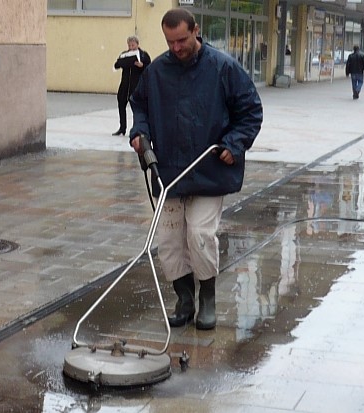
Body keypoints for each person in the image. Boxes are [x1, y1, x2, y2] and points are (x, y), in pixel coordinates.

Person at [129, 8, 263, 330]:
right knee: (171, 241)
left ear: (196, 30)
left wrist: (234, 144)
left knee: (200, 235)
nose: (176, 47)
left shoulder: (223, 68)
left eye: (182, 40)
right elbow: (140, 104)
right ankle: (184, 299)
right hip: (170, 172)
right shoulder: (156, 71)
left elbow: (250, 110)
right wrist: (139, 132)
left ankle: (208, 300)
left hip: (208, 169)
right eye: (170, 41)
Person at [112, 36, 151, 136]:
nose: (131, 46)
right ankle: (122, 128)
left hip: (136, 86)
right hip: (124, 85)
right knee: (121, 105)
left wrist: (142, 66)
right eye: (129, 45)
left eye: (133, 44)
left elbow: (149, 68)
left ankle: (137, 128)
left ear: (137, 44)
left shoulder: (143, 55)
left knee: (136, 109)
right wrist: (121, 63)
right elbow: (116, 65)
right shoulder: (124, 54)